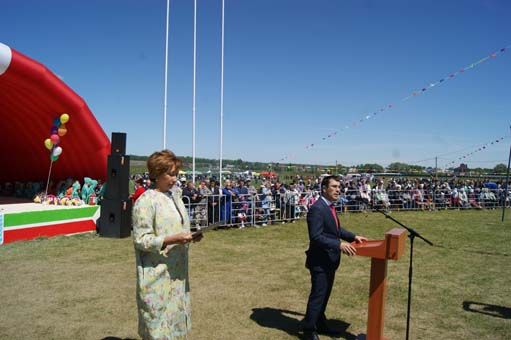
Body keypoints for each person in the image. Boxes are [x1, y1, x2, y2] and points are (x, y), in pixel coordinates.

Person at [132, 149, 203, 340]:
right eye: (170, 174)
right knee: (158, 327)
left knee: (176, 326)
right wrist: (172, 239)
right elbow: (141, 239)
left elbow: (178, 227)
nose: (175, 179)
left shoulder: (175, 197)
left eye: (176, 174)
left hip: (178, 273)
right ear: (156, 174)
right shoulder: (146, 201)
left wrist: (190, 236)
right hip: (157, 274)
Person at [302, 175, 367, 340]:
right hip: (320, 262)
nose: (338, 189)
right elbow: (316, 236)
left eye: (339, 187)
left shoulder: (329, 207)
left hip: (330, 260)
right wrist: (338, 245)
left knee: (324, 295)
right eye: (334, 186)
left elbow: (335, 229)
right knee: (318, 295)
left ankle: (320, 323)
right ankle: (309, 330)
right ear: (324, 188)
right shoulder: (317, 209)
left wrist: (353, 237)